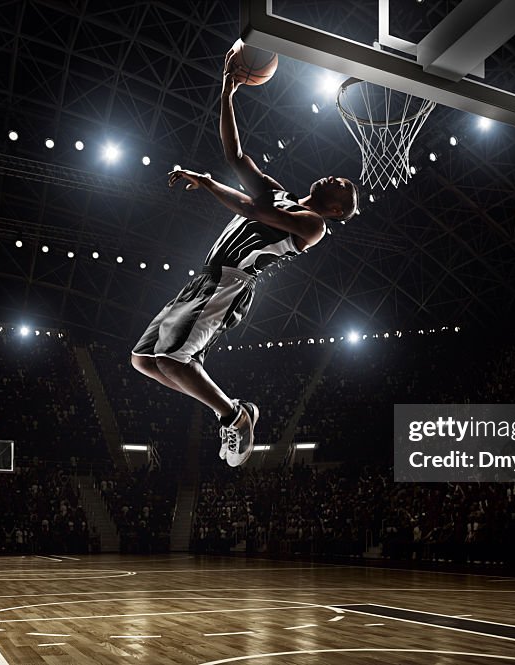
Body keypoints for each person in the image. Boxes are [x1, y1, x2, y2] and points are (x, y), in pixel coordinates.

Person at [131, 49, 359, 468]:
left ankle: (233, 415)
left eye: (343, 188)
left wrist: (207, 183)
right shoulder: (278, 191)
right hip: (205, 277)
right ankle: (232, 408)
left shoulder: (313, 226)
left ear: (335, 211)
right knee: (143, 359)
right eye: (338, 177)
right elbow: (235, 155)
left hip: (231, 281)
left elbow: (253, 212)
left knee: (170, 359)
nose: (335, 178)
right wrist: (227, 92)